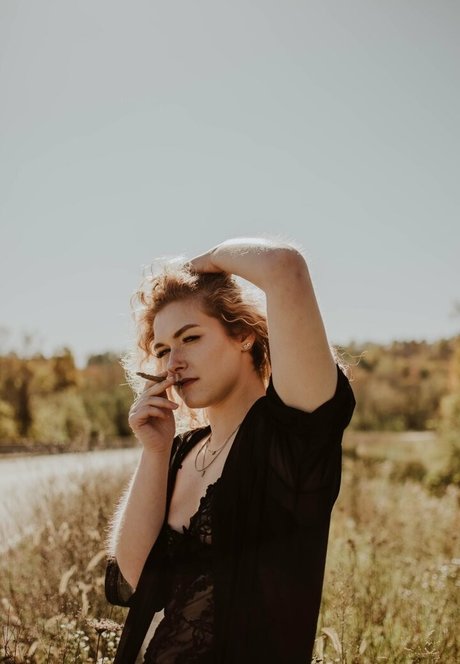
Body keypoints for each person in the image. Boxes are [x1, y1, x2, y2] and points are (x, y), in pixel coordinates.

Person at [104, 237, 356, 664]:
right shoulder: (182, 450)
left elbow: (284, 266)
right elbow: (132, 578)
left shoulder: (289, 437)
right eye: (162, 350)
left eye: (190, 338)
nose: (173, 363)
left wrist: (199, 265)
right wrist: (154, 451)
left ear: (242, 334)